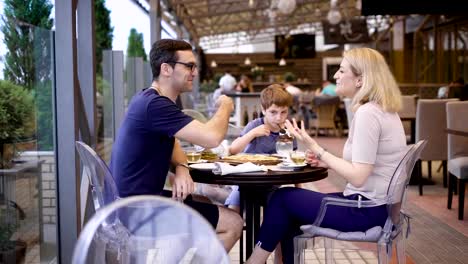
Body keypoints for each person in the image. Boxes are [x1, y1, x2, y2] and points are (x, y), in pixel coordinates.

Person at [246, 47, 407, 264]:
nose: (335, 76)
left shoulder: (368, 113)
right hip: (377, 208)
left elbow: (358, 176)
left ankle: (254, 261)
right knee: (290, 211)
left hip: (365, 211)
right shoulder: (383, 109)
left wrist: (316, 147)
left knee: (282, 198)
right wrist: (326, 161)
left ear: (360, 79)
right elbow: (366, 166)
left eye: (341, 71)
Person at [110, 39, 243, 252]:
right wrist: (227, 105)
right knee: (234, 223)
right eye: (189, 66)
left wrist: (182, 168)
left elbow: (172, 143)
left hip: (129, 204)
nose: (195, 72)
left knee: (200, 200)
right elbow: (211, 137)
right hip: (137, 210)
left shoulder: (149, 99)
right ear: (166, 69)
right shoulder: (155, 106)